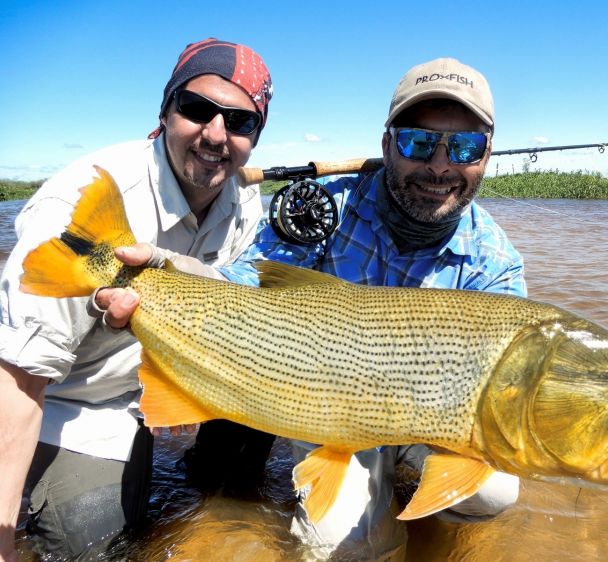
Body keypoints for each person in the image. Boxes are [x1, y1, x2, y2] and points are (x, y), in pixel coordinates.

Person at [99, 57, 526, 560]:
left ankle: (408, 483)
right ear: (388, 144)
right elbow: (243, 294)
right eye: (416, 142)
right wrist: (167, 275)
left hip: (432, 414)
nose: (438, 165)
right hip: (322, 399)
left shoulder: (496, 264)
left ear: (487, 155)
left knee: (496, 488)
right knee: (342, 549)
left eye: (464, 147)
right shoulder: (319, 207)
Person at [0, 37, 274, 561]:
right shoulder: (78, 207)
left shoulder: (243, 201)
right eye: (198, 110)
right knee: (90, 541)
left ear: (255, 136)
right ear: (166, 110)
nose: (216, 135)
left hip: (149, 385)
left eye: (240, 123)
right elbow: (18, 380)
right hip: (68, 398)